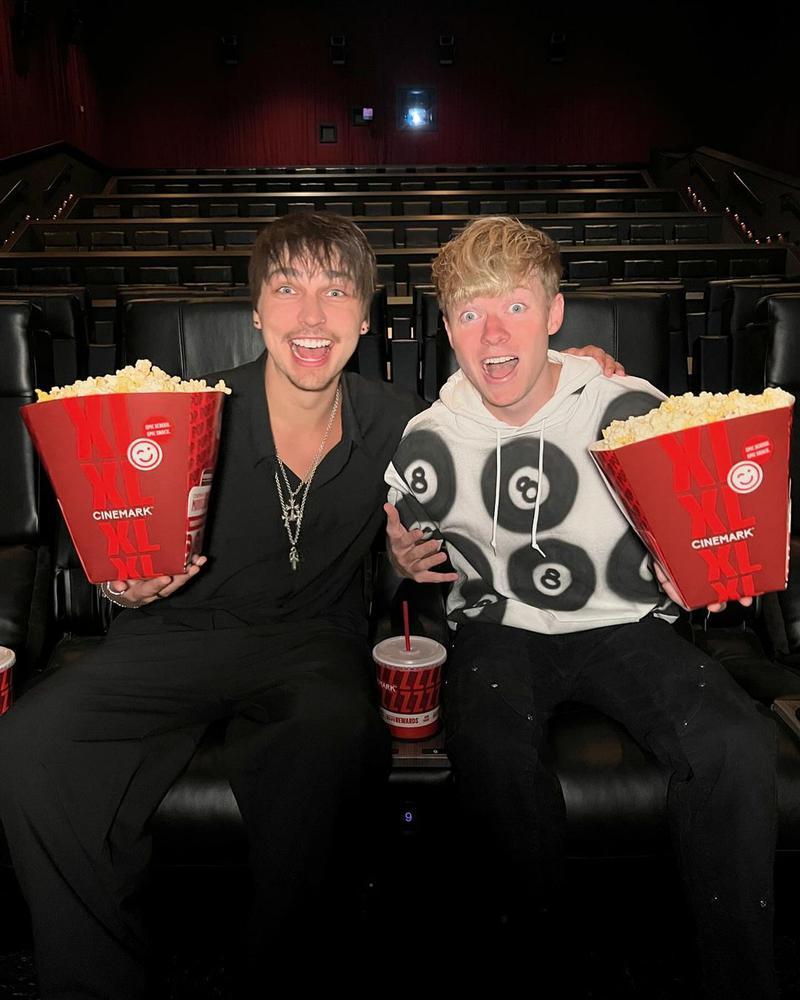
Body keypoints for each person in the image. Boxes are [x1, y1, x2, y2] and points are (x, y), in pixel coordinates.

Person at [0, 211, 621, 999]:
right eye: (287, 289)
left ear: (366, 316)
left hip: (309, 645)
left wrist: (579, 370)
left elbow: (499, 418)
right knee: (28, 746)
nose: (312, 316)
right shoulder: (191, 412)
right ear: (256, 310)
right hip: (172, 634)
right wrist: (123, 581)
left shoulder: (401, 423)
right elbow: (117, 536)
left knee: (335, 743)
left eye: (337, 291)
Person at [384, 217, 777, 999]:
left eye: (515, 307)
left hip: (624, 626)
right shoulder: (424, 439)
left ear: (556, 313)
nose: (493, 333)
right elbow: (403, 544)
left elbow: (714, 525)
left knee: (736, 745)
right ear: (448, 330)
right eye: (469, 314)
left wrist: (709, 567)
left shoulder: (627, 404)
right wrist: (400, 559)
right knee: (492, 757)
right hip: (496, 631)